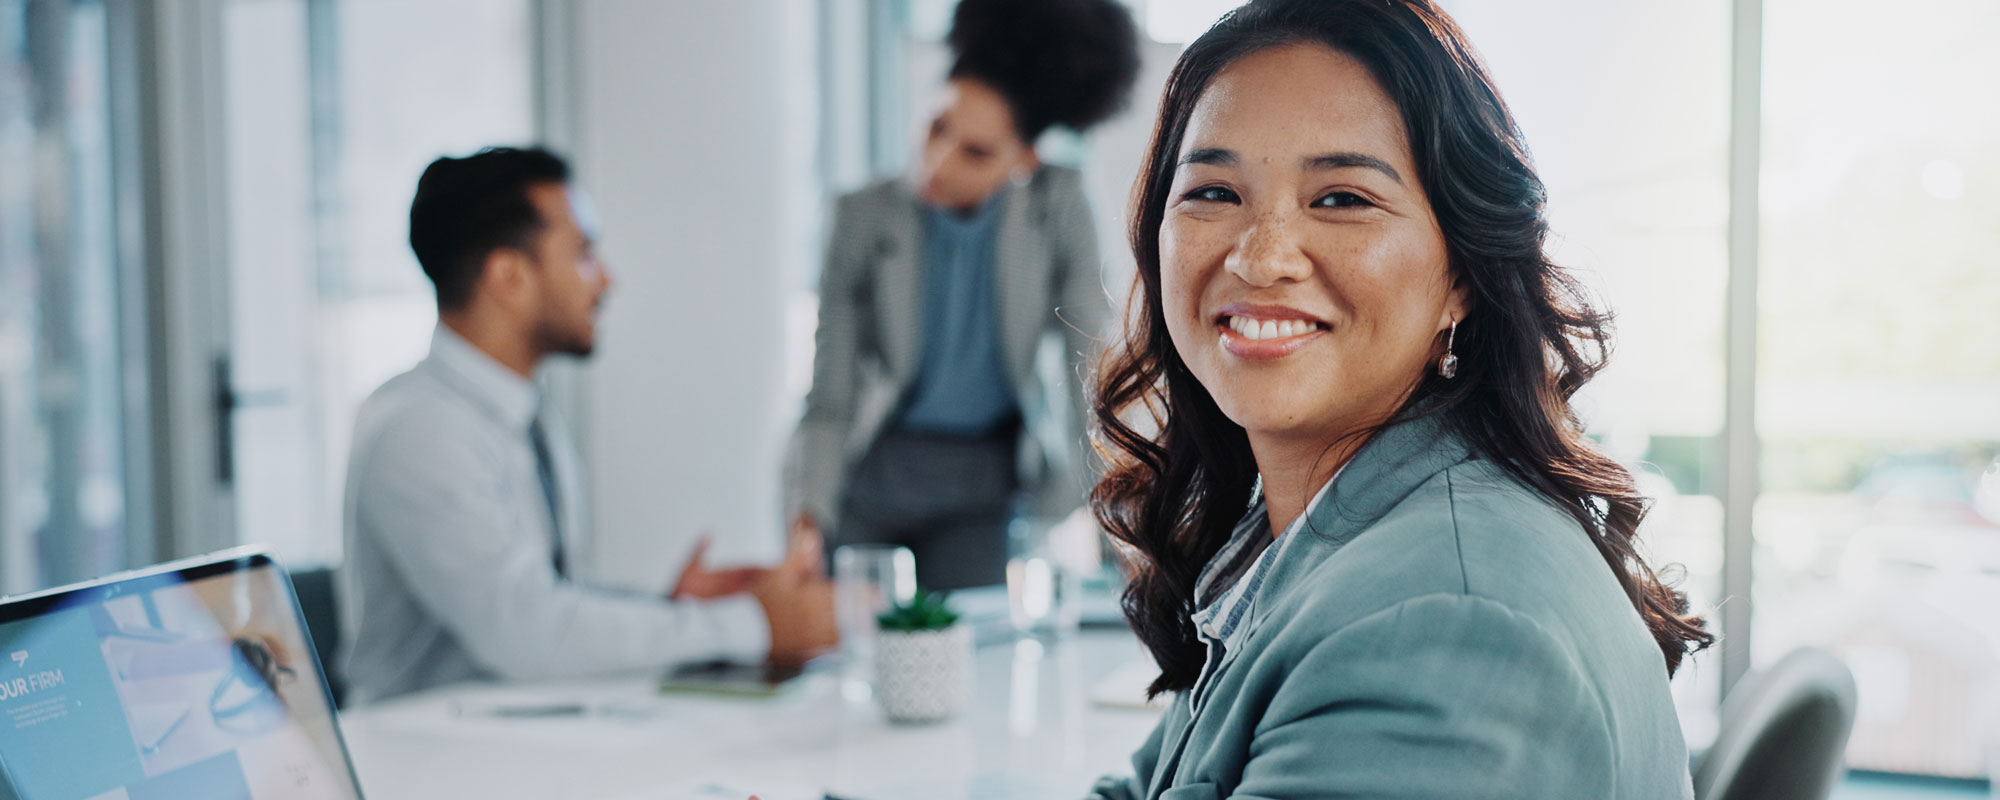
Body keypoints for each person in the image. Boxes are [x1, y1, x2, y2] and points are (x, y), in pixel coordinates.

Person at [1085, 1, 1715, 797]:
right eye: (1213, 192)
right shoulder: (1312, 534)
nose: (1261, 256)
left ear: (1460, 274)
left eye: (1342, 198)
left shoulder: (1448, 621)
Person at [339, 146, 836, 705]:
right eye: (583, 255)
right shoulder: (421, 432)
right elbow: (528, 635)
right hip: (425, 762)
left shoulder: (525, 416)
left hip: (520, 735)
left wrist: (674, 611)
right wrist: (752, 626)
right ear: (508, 277)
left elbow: (549, 600)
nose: (606, 282)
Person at [787, 0, 1141, 591]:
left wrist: (1121, 532)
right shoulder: (861, 218)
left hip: (984, 484)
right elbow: (831, 392)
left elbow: (1090, 366)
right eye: (936, 126)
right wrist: (808, 518)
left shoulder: (1058, 211)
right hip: (874, 472)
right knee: (850, 648)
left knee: (969, 653)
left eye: (975, 152)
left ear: (1024, 160)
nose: (937, 163)